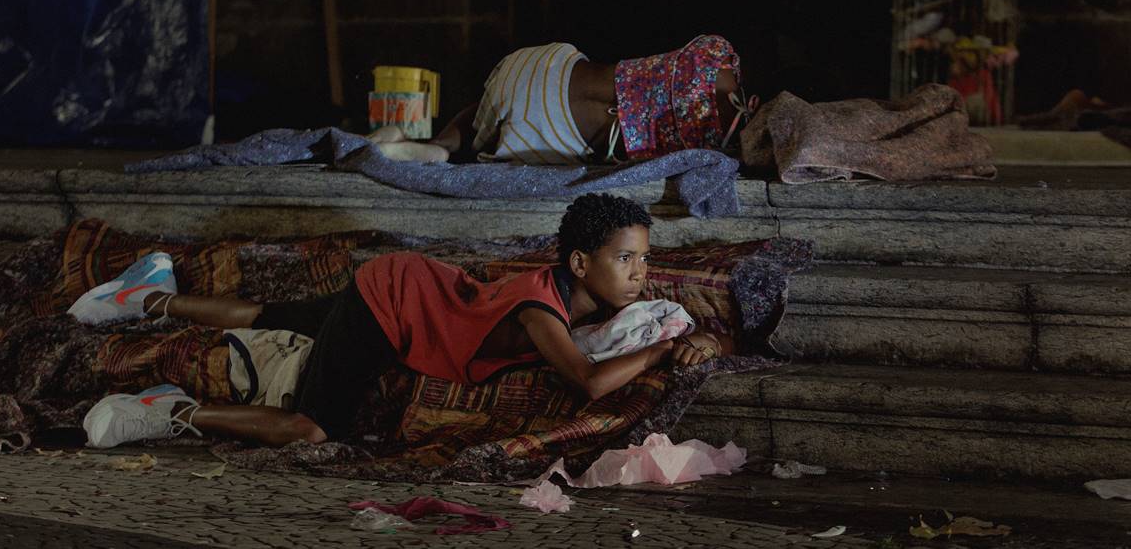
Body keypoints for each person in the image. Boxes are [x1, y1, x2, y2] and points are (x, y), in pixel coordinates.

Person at [69, 194, 732, 449]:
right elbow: (588, 382)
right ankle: (171, 409)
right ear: (582, 262)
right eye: (627, 260)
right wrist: (666, 349)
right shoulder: (540, 305)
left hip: (404, 282)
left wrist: (699, 335)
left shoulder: (596, 295)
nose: (641, 273)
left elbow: (680, 309)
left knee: (265, 314)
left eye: (645, 260)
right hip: (390, 303)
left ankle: (149, 294)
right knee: (310, 427)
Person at [370, 34, 756, 165]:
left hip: (541, 66)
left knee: (484, 110)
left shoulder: (719, 61)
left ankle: (437, 144)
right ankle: (443, 149)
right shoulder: (709, 145)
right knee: (494, 136)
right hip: (548, 128)